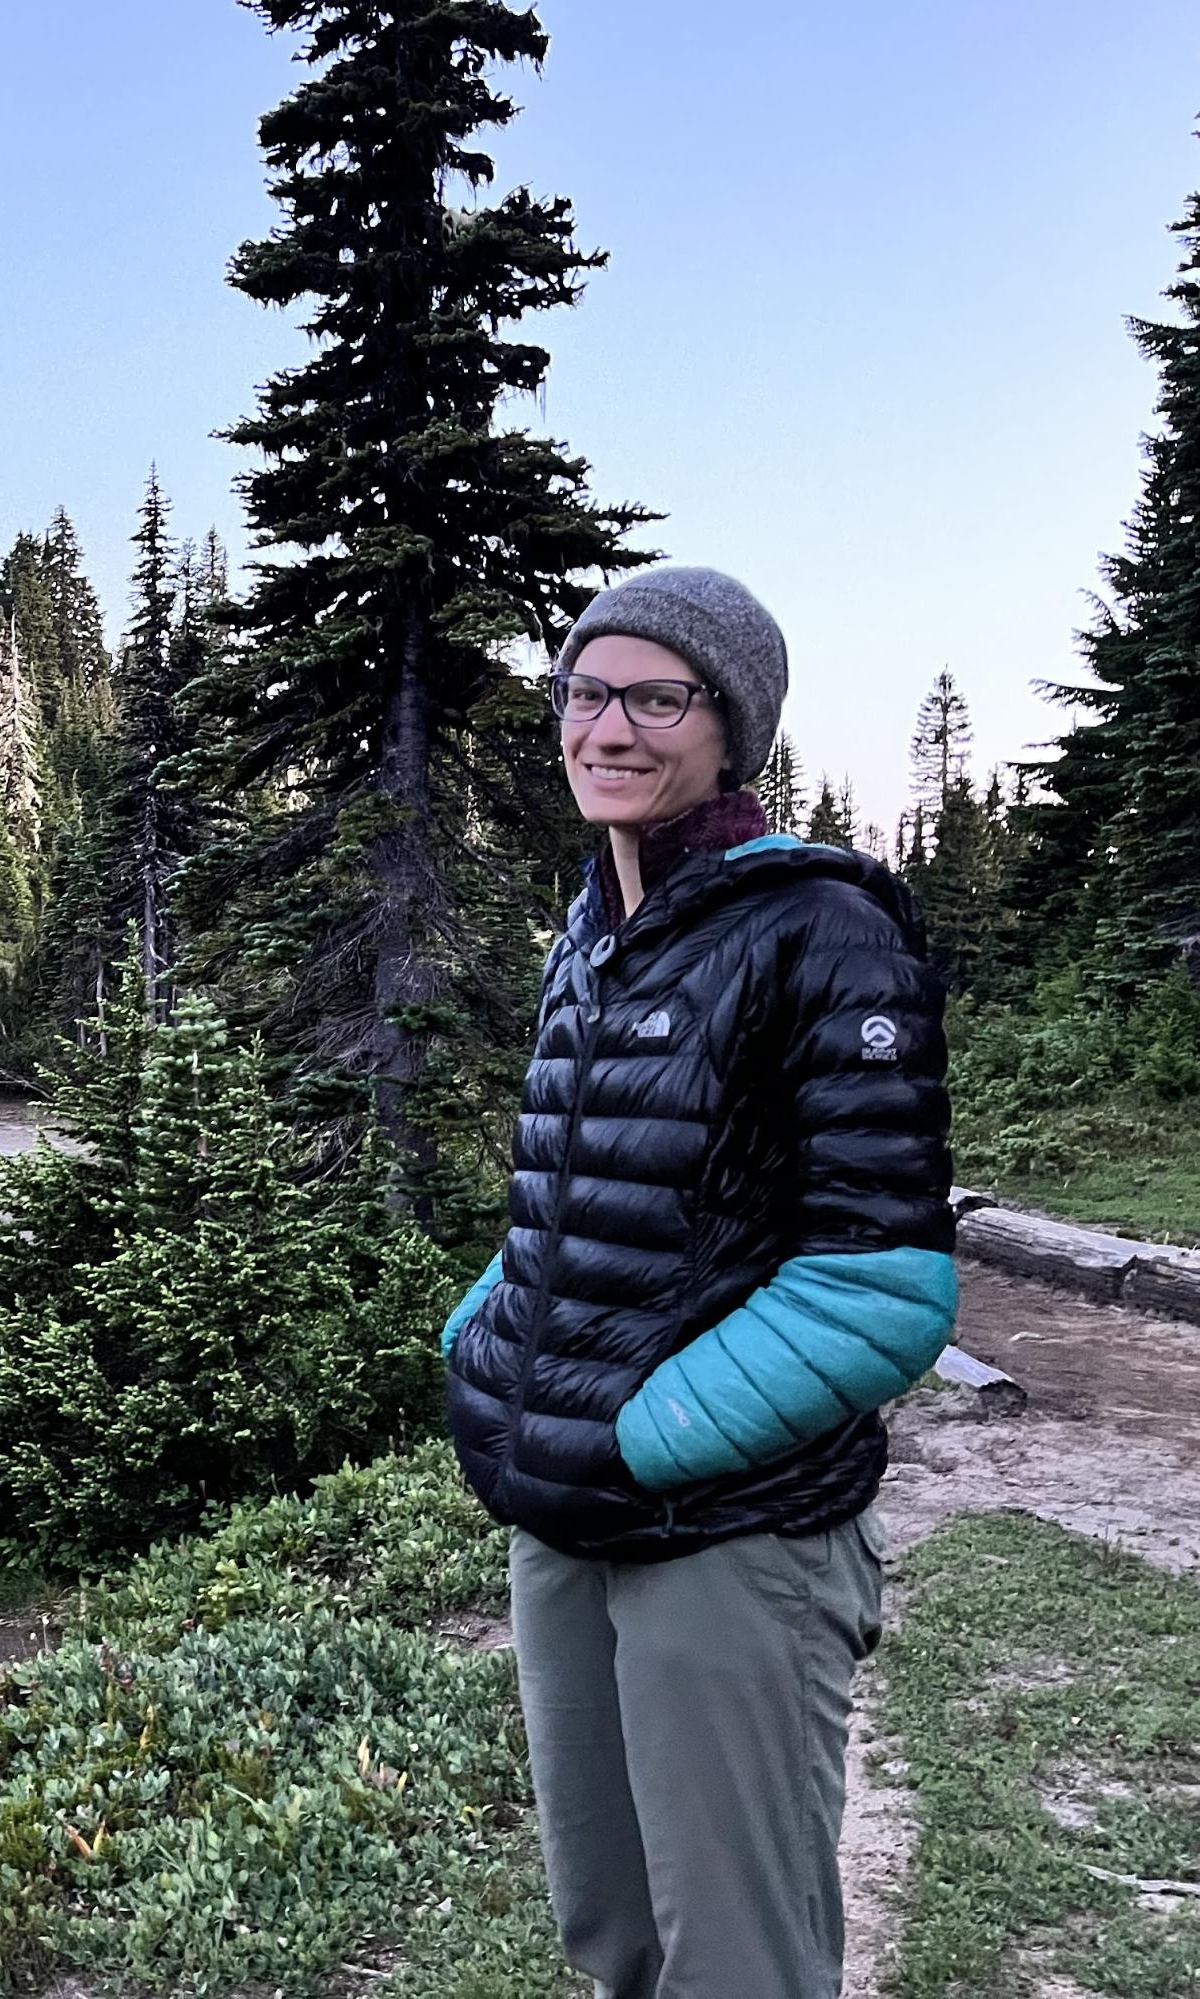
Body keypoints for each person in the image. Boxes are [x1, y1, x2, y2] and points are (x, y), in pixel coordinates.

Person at [442, 565, 958, 1999]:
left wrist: (635, 1435)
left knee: (734, 1962)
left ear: (729, 725)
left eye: (654, 697)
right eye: (584, 692)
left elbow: (880, 1285)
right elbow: (579, 1197)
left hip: (726, 1530)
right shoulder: (593, 932)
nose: (607, 728)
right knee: (613, 1935)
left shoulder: (822, 925)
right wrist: (485, 1354)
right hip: (560, 1515)